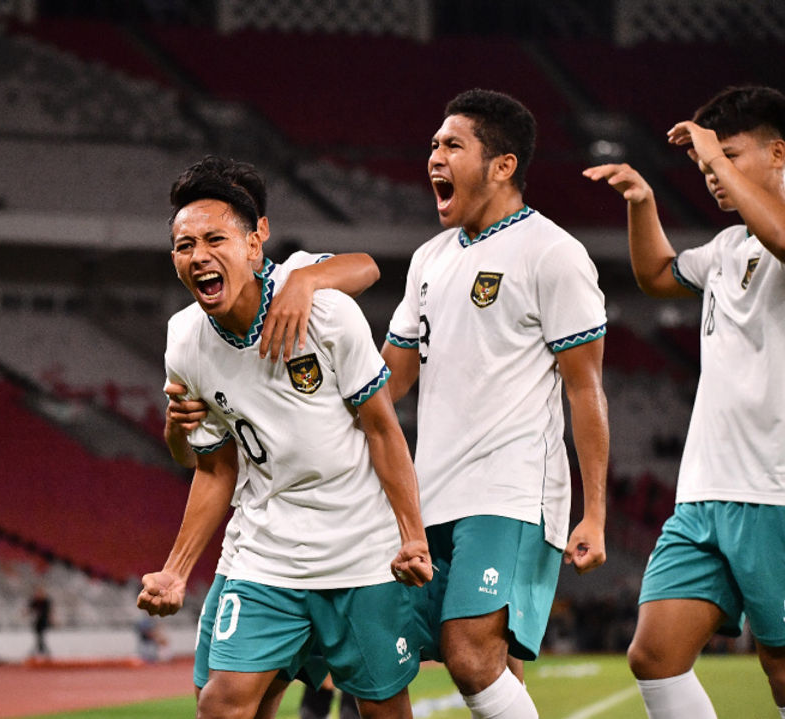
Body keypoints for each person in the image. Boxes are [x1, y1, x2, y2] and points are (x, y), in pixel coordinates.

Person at [138, 158, 433, 719]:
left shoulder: (324, 311)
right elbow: (212, 466)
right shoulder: (183, 342)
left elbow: (382, 429)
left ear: (255, 243)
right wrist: (175, 570)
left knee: (384, 712)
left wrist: (410, 536)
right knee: (222, 705)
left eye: (214, 239)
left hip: (359, 556)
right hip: (266, 557)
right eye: (183, 246)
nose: (198, 256)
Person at [382, 89, 609, 719]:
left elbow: (585, 389)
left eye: (452, 144)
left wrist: (594, 513)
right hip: (434, 492)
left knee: (470, 653)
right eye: (433, 144)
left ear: (502, 165)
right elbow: (390, 379)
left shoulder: (553, 253)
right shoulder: (428, 260)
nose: (434, 155)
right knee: (414, 656)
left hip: (511, 491)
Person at [584, 84, 785, 719]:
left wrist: (714, 157)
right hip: (702, 495)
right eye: (704, 168)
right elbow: (658, 275)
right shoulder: (731, 248)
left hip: (773, 492)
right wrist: (643, 202)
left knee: (780, 668)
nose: (713, 177)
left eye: (728, 156)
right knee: (654, 656)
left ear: (779, 152)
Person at [28, 586, 52, 658]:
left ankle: (41, 650)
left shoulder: (46, 601)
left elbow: (49, 612)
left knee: (41, 636)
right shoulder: (34, 601)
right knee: (39, 636)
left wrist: (51, 619)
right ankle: (41, 650)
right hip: (36, 621)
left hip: (43, 621)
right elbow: (29, 609)